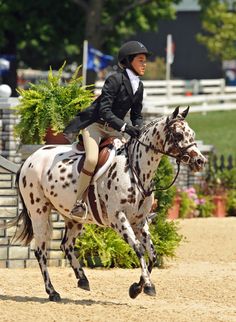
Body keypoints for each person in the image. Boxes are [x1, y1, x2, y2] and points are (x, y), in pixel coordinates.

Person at [63, 40, 150, 217]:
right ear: (128, 60)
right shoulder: (114, 79)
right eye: (141, 60)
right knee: (92, 160)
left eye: (144, 60)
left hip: (115, 129)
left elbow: (136, 114)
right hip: (95, 126)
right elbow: (104, 110)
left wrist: (138, 129)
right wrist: (126, 127)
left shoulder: (138, 86)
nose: (144, 64)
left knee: (134, 158)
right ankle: (79, 202)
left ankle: (139, 204)